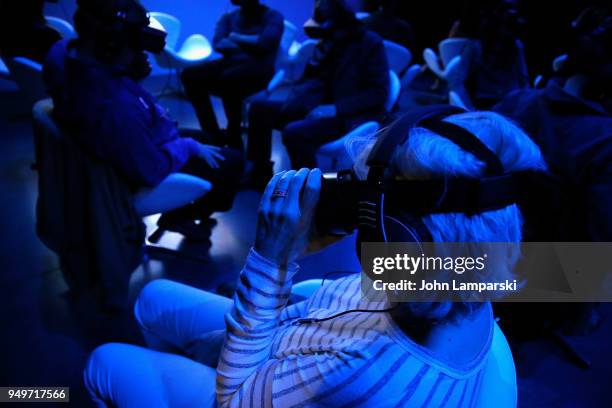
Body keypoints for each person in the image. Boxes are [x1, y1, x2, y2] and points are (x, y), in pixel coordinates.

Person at [83, 110, 546, 406]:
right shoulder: (458, 274)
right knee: (154, 297)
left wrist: (270, 260)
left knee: (105, 361)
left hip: (251, 381)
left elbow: (234, 400)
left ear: (397, 231)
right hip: (292, 338)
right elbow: (341, 303)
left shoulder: (367, 368)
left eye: (368, 201)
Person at [43, 0, 243, 242]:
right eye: (137, 50)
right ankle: (181, 217)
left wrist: (125, 73)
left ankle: (184, 208)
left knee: (212, 140)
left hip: (140, 138)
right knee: (232, 163)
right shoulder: (114, 107)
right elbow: (151, 169)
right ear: (112, 48)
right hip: (143, 161)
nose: (141, 56)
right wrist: (188, 147)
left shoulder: (63, 52)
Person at [246, 0, 389, 188]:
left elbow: (379, 92)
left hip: (347, 114)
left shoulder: (369, 43)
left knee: (295, 132)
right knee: (259, 110)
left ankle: (310, 191)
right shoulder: (328, 41)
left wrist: (335, 108)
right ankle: (260, 173)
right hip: (316, 105)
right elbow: (311, 80)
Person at [181, 0, 284, 149]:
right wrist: (252, 43)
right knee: (190, 74)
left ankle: (233, 134)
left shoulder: (273, 16)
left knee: (229, 79)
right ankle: (211, 133)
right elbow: (218, 44)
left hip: (261, 67)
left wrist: (235, 37)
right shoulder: (228, 17)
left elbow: (265, 44)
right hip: (231, 63)